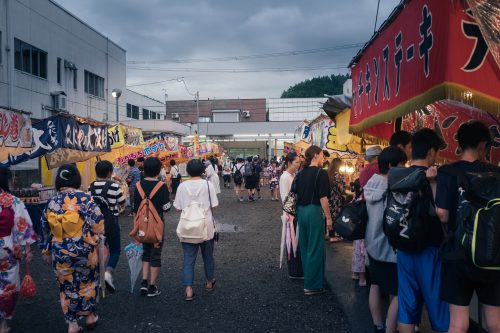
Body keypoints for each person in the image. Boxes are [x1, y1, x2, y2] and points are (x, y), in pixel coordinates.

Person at [436, 121, 500, 333]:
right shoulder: (496, 173)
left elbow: (443, 216)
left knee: (458, 322)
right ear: (483, 145)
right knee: (493, 321)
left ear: (460, 144)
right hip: (492, 253)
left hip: (459, 253)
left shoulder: (447, 172)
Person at [396, 128, 449, 333]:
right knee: (437, 305)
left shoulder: (399, 175)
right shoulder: (434, 177)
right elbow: (441, 214)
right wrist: (434, 184)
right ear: (431, 152)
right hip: (430, 249)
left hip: (403, 246)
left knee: (407, 304)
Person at [41, 164, 104, 333]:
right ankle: (90, 317)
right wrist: (98, 240)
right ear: (76, 179)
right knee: (88, 282)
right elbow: (98, 224)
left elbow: (45, 229)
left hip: (60, 251)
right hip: (85, 250)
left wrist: (46, 251)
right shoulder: (85, 198)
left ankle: (72, 324)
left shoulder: (51, 202)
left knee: (66, 286)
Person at [364, 146, 407, 333]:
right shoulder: (393, 186)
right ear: (391, 166)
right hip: (390, 248)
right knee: (398, 292)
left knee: (375, 285)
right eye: (402, 164)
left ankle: (378, 325)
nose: (405, 168)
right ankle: (390, 330)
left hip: (372, 244)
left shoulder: (371, 183)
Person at [174, 159, 219, 301]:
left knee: (188, 258)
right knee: (208, 256)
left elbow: (177, 207)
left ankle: (188, 290)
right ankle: (209, 282)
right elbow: (215, 205)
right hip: (206, 226)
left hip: (188, 227)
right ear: (203, 171)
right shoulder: (208, 184)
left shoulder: (182, 186)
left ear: (187, 171)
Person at [0, 168, 36, 333]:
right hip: (6, 249)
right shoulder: (12, 201)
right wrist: (27, 248)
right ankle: (3, 324)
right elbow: (23, 227)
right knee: (8, 287)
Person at [295, 145, 332, 295]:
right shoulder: (320, 173)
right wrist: (329, 217)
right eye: (322, 154)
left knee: (305, 247)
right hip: (314, 211)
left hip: (301, 212)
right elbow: (323, 198)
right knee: (316, 247)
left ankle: (308, 280)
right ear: (316, 155)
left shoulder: (301, 173)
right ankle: (313, 285)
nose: (324, 157)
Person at [133, 157, 171, 297]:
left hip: (142, 224)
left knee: (145, 252)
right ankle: (152, 286)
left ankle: (143, 282)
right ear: (158, 170)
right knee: (156, 254)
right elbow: (166, 208)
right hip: (156, 225)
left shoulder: (138, 186)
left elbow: (135, 208)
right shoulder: (161, 186)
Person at [90, 160, 126, 293]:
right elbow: (122, 203)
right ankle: (108, 274)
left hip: (96, 224)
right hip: (112, 222)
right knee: (115, 250)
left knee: (98, 249)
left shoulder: (91, 187)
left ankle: (98, 276)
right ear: (110, 172)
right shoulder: (114, 186)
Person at [353, 145, 382, 286]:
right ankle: (375, 276)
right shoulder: (381, 169)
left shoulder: (364, 171)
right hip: (378, 207)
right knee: (374, 240)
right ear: (377, 157)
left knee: (360, 243)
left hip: (364, 205)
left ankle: (360, 277)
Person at [279, 153, 303, 278]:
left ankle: (297, 269)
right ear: (289, 163)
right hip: (290, 215)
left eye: (299, 162)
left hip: (294, 213)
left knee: (296, 242)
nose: (299, 165)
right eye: (297, 162)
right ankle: (294, 271)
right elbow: (285, 198)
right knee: (292, 242)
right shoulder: (285, 177)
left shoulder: (292, 175)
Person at [327, 158, 346, 243]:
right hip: (336, 199)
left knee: (329, 216)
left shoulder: (328, 174)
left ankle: (329, 234)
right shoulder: (338, 175)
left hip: (328, 199)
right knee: (335, 217)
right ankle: (333, 236)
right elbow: (341, 189)